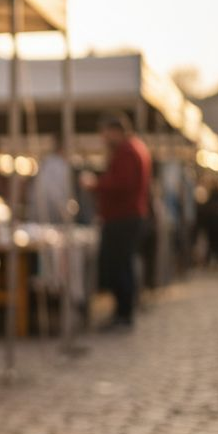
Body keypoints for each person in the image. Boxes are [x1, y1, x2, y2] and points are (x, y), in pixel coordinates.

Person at [81, 112, 151, 329]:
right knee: (122, 264)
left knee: (119, 265)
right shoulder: (133, 148)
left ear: (115, 131)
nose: (103, 138)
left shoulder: (128, 151)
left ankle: (124, 312)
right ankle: (123, 311)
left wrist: (96, 184)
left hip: (123, 218)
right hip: (126, 216)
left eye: (105, 133)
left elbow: (122, 184)